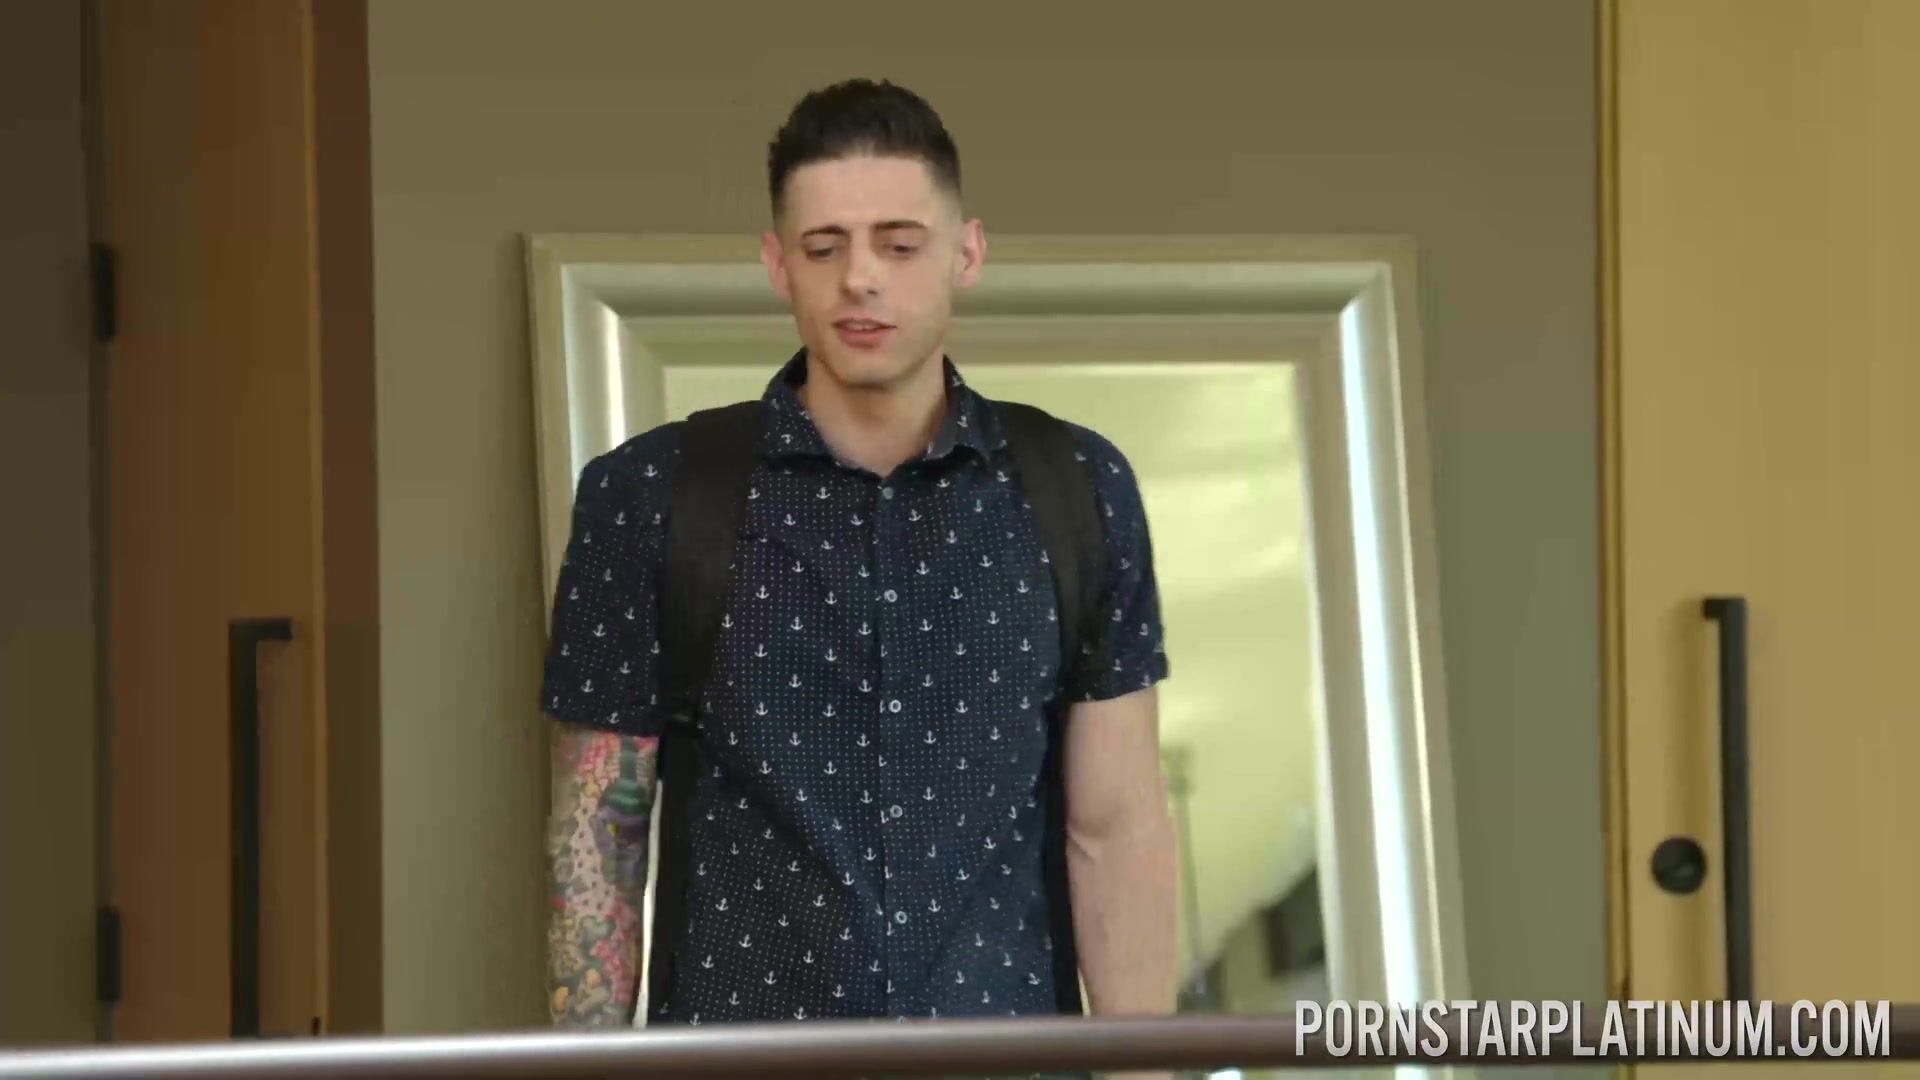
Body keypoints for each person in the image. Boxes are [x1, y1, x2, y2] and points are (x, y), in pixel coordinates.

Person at [541, 78, 1177, 1049]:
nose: (861, 279)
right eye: (824, 247)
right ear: (777, 264)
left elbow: (1117, 826)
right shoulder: (650, 494)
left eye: (900, 243)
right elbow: (597, 837)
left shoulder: (1078, 488)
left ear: (966, 252)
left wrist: (1148, 1074)